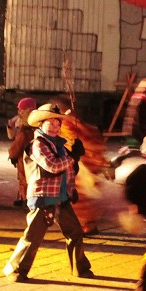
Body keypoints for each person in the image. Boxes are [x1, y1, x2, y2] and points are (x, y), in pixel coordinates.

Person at [3, 103, 92, 282]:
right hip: (43, 197)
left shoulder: (59, 145)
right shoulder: (38, 144)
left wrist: (71, 185)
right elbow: (52, 166)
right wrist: (72, 159)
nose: (55, 127)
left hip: (60, 197)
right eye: (50, 123)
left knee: (74, 232)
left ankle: (80, 268)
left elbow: (68, 170)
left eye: (57, 123)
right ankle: (15, 270)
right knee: (33, 236)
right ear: (41, 124)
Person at [52, 94, 108, 235]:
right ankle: (87, 224)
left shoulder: (71, 125)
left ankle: (85, 225)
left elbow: (78, 144)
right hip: (81, 167)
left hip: (80, 169)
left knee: (78, 199)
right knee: (80, 199)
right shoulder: (71, 125)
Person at [7, 97, 37, 210]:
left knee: (24, 180)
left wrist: (12, 155)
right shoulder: (35, 128)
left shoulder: (24, 131)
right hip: (32, 157)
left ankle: (26, 201)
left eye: (21, 110)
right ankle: (23, 198)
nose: (19, 112)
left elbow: (17, 145)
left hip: (24, 159)